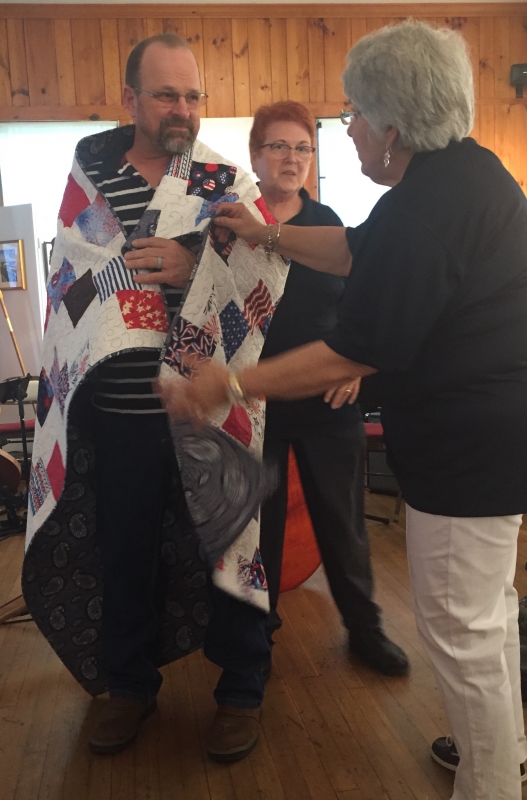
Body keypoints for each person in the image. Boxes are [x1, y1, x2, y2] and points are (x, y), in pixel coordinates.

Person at [160, 20, 527, 800]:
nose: (349, 128)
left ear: (392, 126)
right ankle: (498, 751)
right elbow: (356, 250)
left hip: (466, 450)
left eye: (355, 113)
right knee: (485, 618)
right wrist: (267, 235)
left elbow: (348, 354)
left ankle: (491, 784)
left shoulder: (426, 208)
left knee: (459, 633)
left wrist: (228, 386)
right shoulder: (458, 175)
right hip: (492, 440)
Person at [23, 33, 289, 763]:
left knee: (230, 543)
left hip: (208, 404)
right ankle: (127, 686)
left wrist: (192, 262)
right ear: (130, 98)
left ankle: (241, 692)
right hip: (121, 413)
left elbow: (263, 270)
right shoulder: (90, 177)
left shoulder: (221, 181)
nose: (183, 109)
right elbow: (73, 285)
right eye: (166, 94)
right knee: (125, 550)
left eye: (193, 95)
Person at [250, 100, 408, 676]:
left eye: (303, 148)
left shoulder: (330, 224)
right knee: (259, 531)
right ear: (255, 156)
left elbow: (365, 309)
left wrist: (355, 370)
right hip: (257, 403)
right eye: (279, 146)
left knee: (343, 525)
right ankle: (255, 639)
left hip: (327, 399)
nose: (292, 159)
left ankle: (365, 631)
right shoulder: (233, 224)